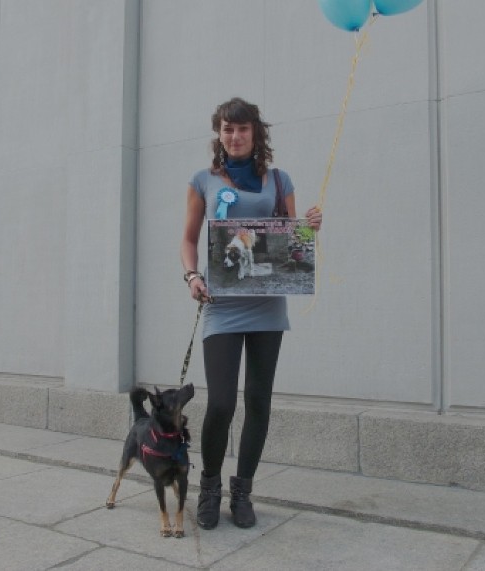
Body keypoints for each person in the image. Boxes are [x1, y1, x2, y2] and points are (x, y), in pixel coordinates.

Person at [180, 97, 322, 530]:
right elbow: (188, 239)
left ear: (256, 133)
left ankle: (242, 491)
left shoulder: (279, 180)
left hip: (267, 308)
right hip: (222, 307)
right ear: (218, 135)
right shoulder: (202, 180)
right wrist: (191, 277)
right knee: (221, 403)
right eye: (227, 129)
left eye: (242, 129)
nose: (235, 136)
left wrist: (308, 229)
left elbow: (289, 244)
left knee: (258, 402)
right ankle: (209, 487)